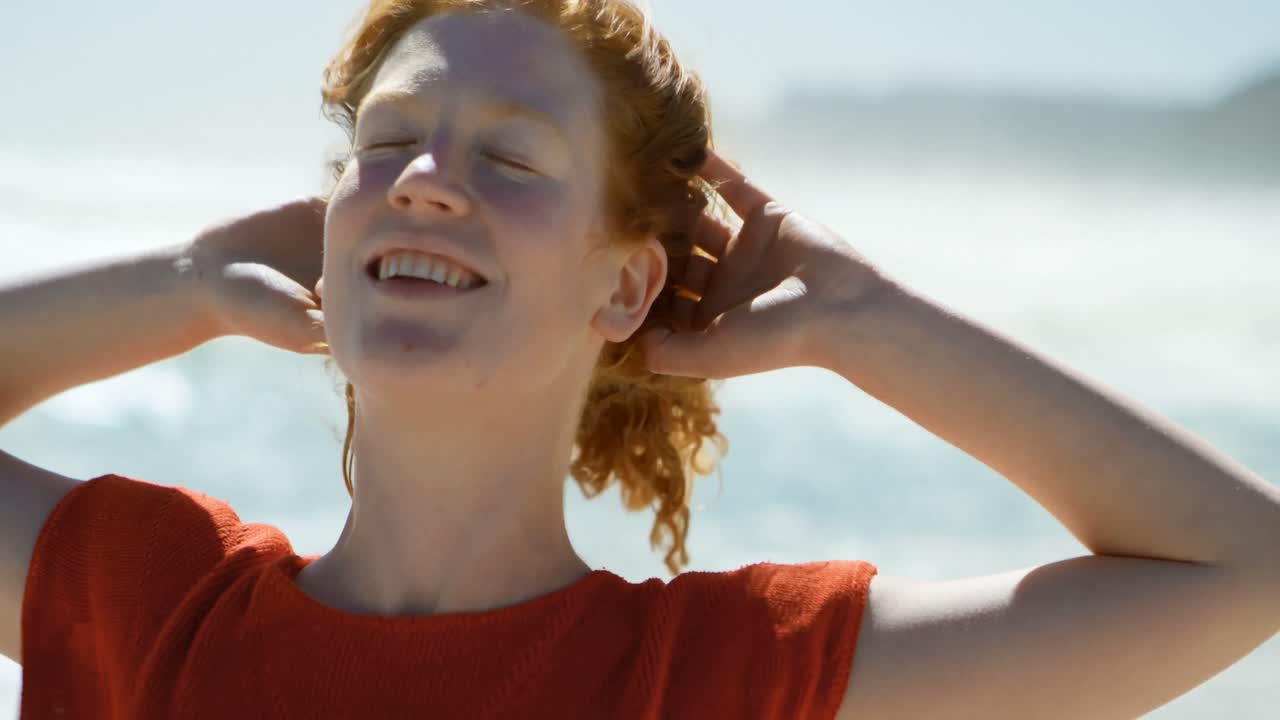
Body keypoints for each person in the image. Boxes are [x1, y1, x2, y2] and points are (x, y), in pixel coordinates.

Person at [2, 0, 1277, 718]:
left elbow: (1242, 565)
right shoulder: (155, 608)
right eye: (386, 146)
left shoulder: (715, 678)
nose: (427, 184)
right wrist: (178, 282)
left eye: (508, 158)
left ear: (624, 286)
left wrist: (858, 316)